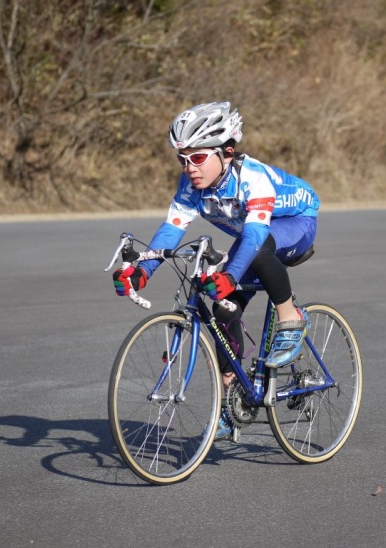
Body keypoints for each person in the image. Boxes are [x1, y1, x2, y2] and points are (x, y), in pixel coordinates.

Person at [112, 101, 320, 439]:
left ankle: (290, 317)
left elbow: (254, 236)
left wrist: (230, 276)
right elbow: (170, 232)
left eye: (197, 158)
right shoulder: (191, 186)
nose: (189, 167)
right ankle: (234, 397)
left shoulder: (252, 178)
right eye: (182, 159)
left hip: (294, 222)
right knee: (224, 309)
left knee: (256, 250)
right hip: (253, 236)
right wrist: (142, 272)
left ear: (226, 151)